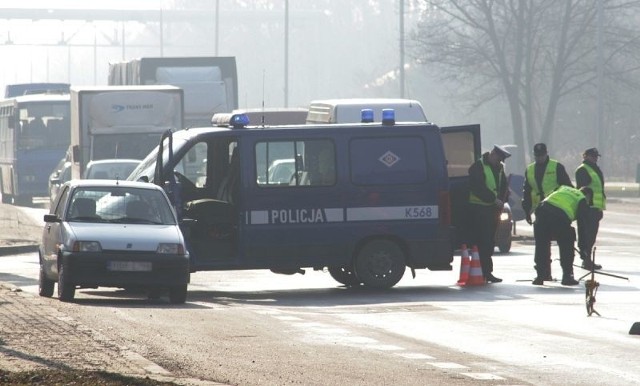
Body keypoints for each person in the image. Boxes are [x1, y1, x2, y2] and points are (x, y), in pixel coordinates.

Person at [522, 143, 573, 280]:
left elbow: (568, 188)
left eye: (542, 155)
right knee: (541, 244)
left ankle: (567, 274)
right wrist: (527, 210)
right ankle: (542, 273)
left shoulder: (557, 167)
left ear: (546, 153)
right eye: (537, 156)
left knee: (564, 242)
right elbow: (527, 191)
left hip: (557, 211)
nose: (539, 158)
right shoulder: (530, 169)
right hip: (540, 212)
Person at [532, 186, 593, 286]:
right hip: (559, 216)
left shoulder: (563, 188)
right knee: (567, 243)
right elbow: (582, 226)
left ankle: (540, 276)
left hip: (541, 211)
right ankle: (567, 276)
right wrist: (583, 249)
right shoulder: (581, 199)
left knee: (541, 245)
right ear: (588, 196)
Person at [467, 144, 510, 283]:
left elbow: (503, 186)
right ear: (492, 154)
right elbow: (477, 187)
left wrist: (504, 199)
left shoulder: (498, 168)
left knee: (489, 242)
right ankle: (483, 272)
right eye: (498, 159)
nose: (499, 162)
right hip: (479, 209)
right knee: (483, 242)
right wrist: (493, 199)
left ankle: (487, 272)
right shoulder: (478, 166)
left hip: (492, 210)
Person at [575, 148, 605, 270]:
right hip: (587, 208)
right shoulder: (583, 169)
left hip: (595, 207)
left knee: (591, 235)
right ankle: (586, 260)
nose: (595, 158)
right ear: (585, 156)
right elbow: (583, 189)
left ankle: (587, 259)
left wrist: (600, 208)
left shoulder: (594, 168)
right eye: (592, 156)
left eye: (596, 156)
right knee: (586, 235)